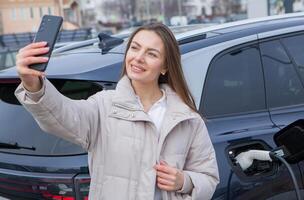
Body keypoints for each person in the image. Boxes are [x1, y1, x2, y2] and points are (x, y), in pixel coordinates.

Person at [15, 23, 219, 200]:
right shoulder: (103, 106)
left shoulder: (188, 119)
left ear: (165, 66)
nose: (138, 58)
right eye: (135, 48)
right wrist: (34, 85)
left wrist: (184, 181)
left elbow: (208, 178)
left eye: (151, 53)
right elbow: (61, 114)